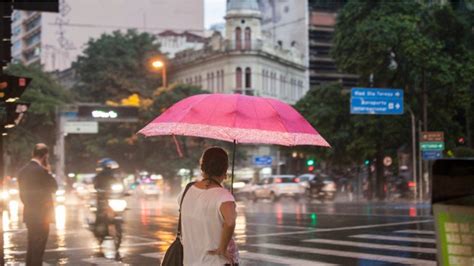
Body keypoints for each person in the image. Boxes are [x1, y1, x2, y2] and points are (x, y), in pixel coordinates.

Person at [179, 147, 239, 265]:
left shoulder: (186, 191)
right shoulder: (224, 196)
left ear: (203, 167)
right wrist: (222, 248)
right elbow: (230, 222)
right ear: (225, 169)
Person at [18, 143, 58, 266]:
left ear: (33, 153)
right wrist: (48, 171)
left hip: (30, 214)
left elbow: (22, 195)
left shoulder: (23, 170)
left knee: (31, 246)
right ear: (45, 156)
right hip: (42, 215)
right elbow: (54, 187)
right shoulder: (42, 171)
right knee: (38, 249)